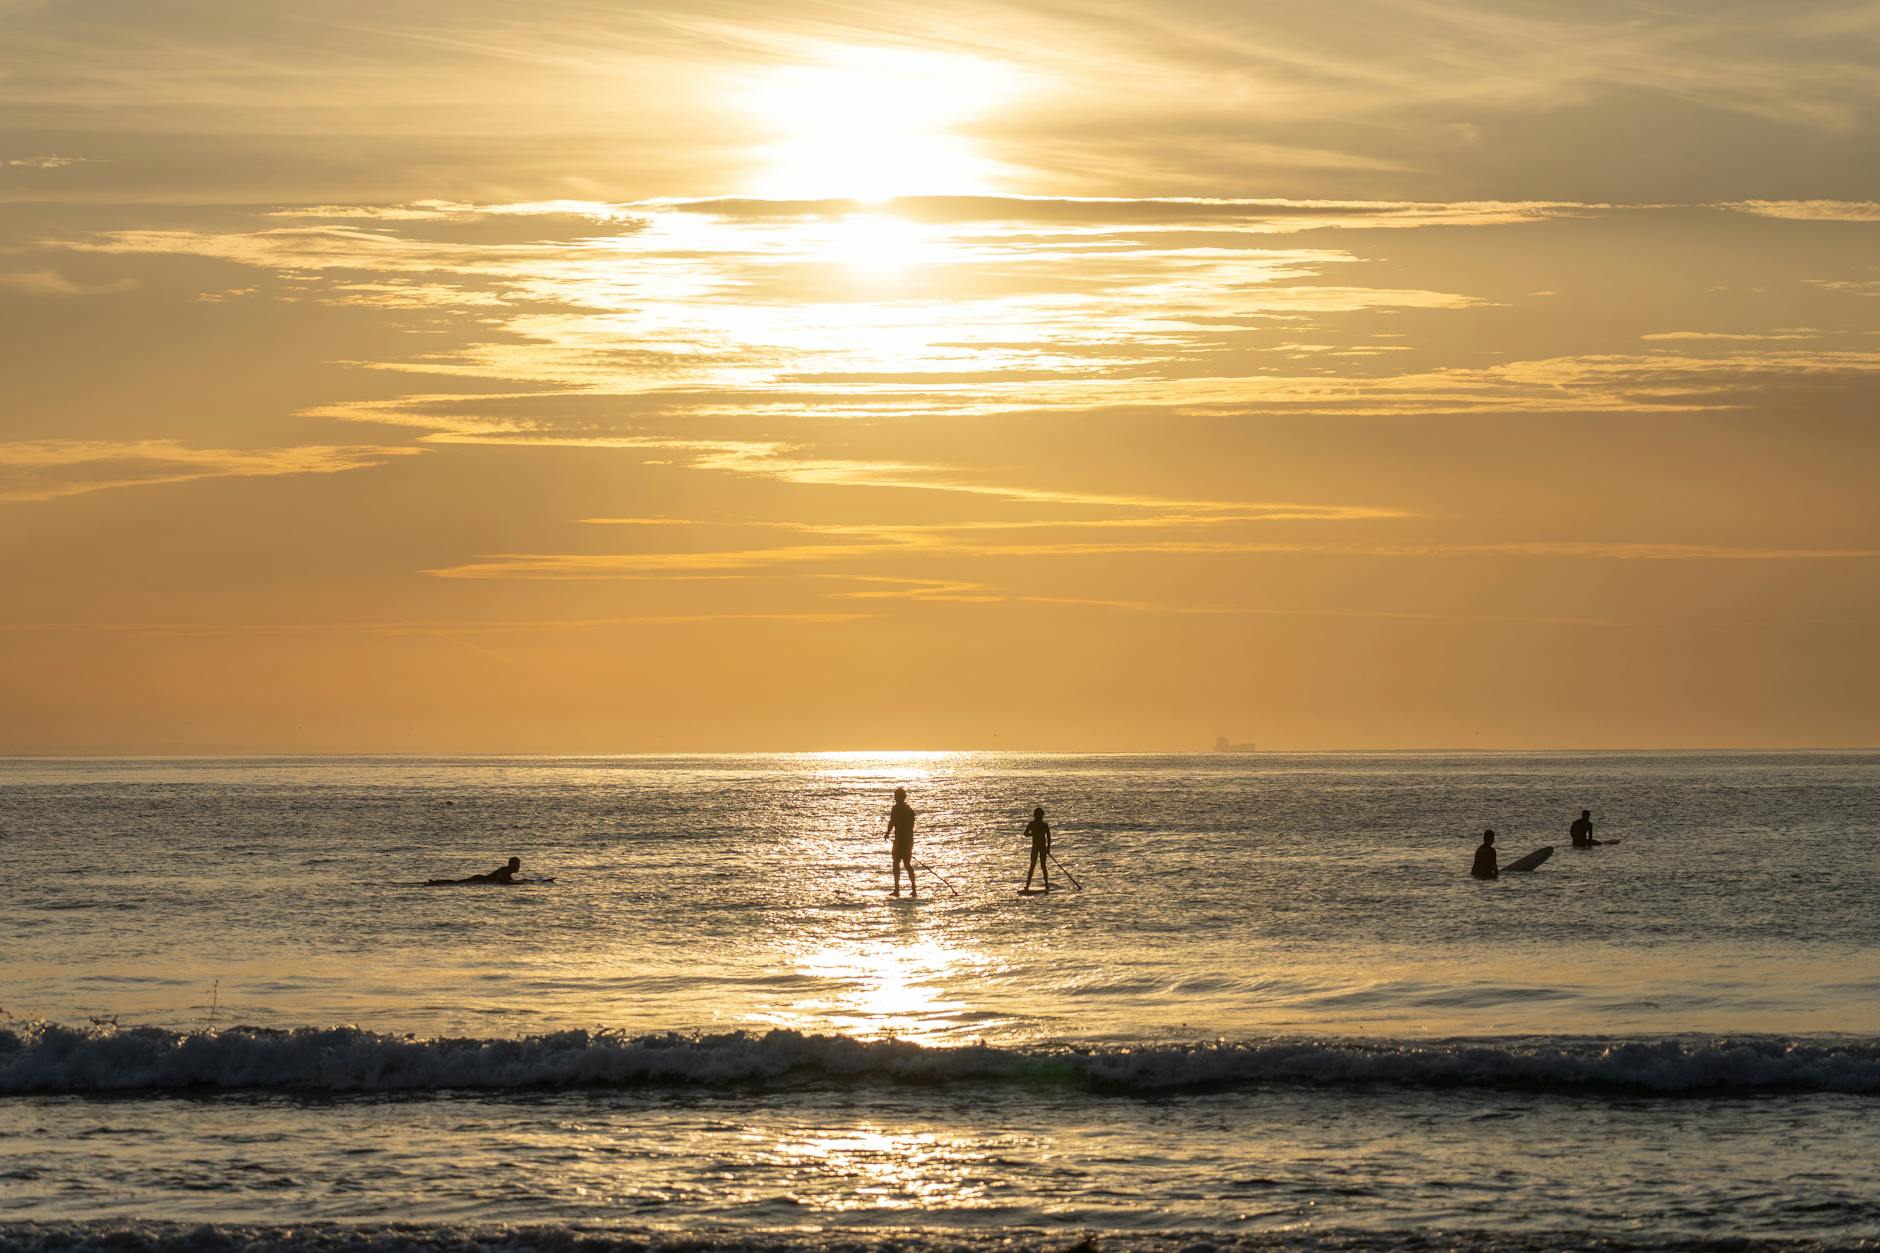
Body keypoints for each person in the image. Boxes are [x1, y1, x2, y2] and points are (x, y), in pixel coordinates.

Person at [886, 787, 917, 897]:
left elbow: (892, 822)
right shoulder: (910, 810)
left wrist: (887, 833)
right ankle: (912, 888)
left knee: (897, 864)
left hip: (900, 841)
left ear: (900, 797)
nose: (895, 798)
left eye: (896, 796)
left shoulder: (896, 809)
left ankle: (898, 889)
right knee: (905, 864)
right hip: (907, 841)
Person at [428, 856, 520, 885]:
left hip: (481, 879)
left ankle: (437, 882)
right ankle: (437, 883)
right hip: (480, 880)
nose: (518, 867)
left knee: (457, 882)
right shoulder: (505, 871)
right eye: (516, 865)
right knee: (457, 883)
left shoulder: (507, 872)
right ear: (511, 864)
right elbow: (497, 881)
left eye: (518, 865)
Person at [1023, 806, 1052, 893]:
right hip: (1039, 847)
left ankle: (1030, 885)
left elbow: (1026, 834)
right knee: (1039, 866)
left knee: (1036, 865)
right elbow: (1026, 834)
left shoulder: (1034, 824)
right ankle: (1044, 884)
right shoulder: (1043, 825)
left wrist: (1048, 848)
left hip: (1039, 847)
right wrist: (1048, 848)